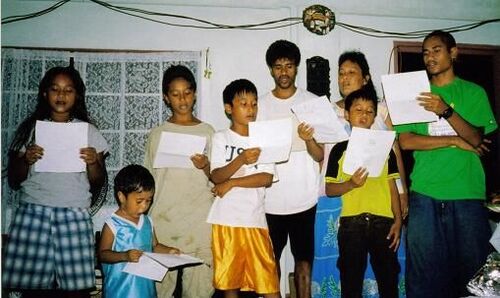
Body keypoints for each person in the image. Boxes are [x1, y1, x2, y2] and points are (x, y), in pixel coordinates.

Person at [395, 30, 498, 297]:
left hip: (467, 195)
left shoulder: (474, 92)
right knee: (423, 276)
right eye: (425, 52)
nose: (430, 56)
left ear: (453, 53)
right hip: (425, 194)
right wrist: (454, 141)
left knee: (474, 276)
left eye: (436, 50)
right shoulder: (415, 93)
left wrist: (445, 110)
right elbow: (406, 141)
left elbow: (476, 137)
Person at [2, 66, 108, 298]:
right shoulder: (30, 130)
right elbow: (14, 179)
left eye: (68, 90)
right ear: (44, 94)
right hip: (34, 211)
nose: (61, 95)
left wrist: (92, 162)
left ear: (77, 95)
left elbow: (98, 180)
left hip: (73, 213)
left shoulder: (88, 131)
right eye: (55, 89)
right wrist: (26, 159)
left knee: (74, 291)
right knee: (32, 289)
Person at [312, 51, 408, 297]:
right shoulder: (329, 111)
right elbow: (320, 156)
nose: (345, 78)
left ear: (365, 77)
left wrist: (402, 192)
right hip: (340, 203)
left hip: (381, 207)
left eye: (351, 72)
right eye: (341, 73)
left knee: (386, 271)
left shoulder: (382, 111)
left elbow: (394, 156)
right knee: (346, 268)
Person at [257, 39, 323, 298]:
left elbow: (320, 154)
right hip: (269, 199)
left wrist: (308, 138)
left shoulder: (313, 102)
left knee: (305, 263)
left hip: (305, 198)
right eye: (278, 67)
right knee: (270, 263)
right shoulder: (259, 106)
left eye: (289, 66)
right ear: (271, 70)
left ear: (296, 68)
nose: (284, 72)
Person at [144, 64, 215, 297]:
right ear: (166, 97)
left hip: (199, 222)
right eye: (175, 94)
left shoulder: (208, 132)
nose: (182, 99)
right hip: (165, 221)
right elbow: (148, 181)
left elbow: (217, 179)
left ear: (194, 94)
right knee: (160, 289)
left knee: (199, 288)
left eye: (187, 92)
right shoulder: (158, 134)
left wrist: (205, 166)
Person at [325, 87, 402, 298]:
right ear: (347, 115)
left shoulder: (386, 148)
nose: (364, 114)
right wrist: (351, 184)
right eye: (358, 109)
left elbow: (392, 186)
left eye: (369, 110)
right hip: (352, 223)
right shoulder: (339, 149)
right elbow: (330, 189)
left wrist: (398, 220)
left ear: (375, 116)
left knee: (389, 282)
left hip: (384, 222)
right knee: (351, 283)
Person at [207, 79, 280, 298]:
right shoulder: (220, 138)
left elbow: (266, 177)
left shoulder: (264, 139)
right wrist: (241, 159)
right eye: (244, 103)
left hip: (255, 220)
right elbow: (216, 175)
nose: (251, 109)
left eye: (254, 103)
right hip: (226, 220)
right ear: (229, 108)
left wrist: (232, 183)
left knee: (269, 284)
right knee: (230, 285)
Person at [99, 164, 181, 298]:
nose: (144, 206)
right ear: (122, 197)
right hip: (120, 290)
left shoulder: (147, 222)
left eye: (148, 201)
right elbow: (103, 255)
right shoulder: (113, 224)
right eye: (139, 201)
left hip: (145, 288)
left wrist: (169, 251)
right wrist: (125, 256)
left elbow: (154, 246)